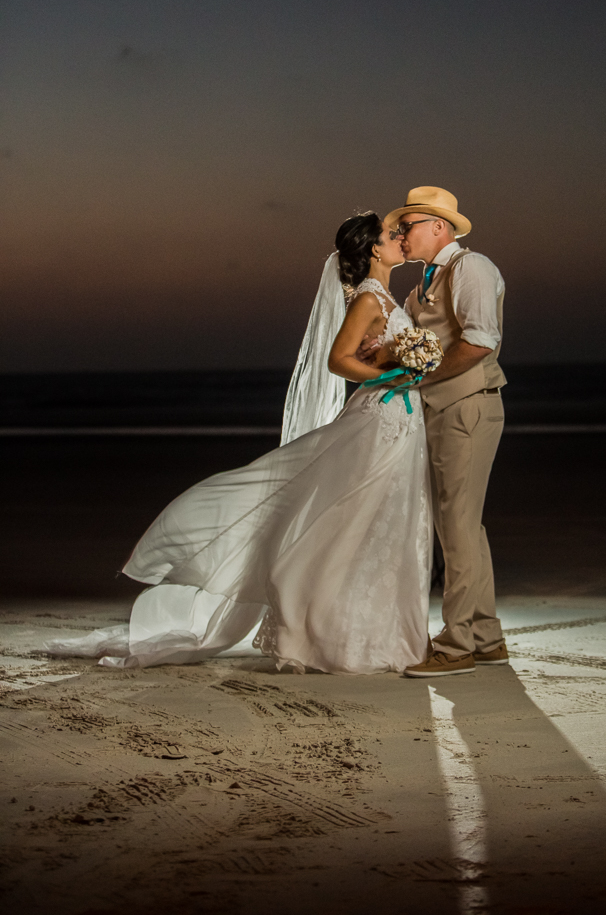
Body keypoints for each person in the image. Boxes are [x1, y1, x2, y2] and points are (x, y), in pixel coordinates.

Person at [45, 213, 432, 675]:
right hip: (381, 420)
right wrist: (391, 374)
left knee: (384, 520)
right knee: (348, 519)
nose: (400, 241)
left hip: (402, 422)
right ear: (373, 249)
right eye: (393, 236)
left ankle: (374, 627)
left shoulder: (387, 296)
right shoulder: (369, 298)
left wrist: (409, 365)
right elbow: (337, 361)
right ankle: (316, 625)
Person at [384, 187, 508, 678]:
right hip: (443, 411)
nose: (400, 235)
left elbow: (480, 341)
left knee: (456, 526)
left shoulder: (471, 268)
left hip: (467, 409)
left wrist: (423, 377)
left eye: (407, 226)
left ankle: (456, 646)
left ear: (439, 227)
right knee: (463, 526)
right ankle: (485, 635)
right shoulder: (422, 287)